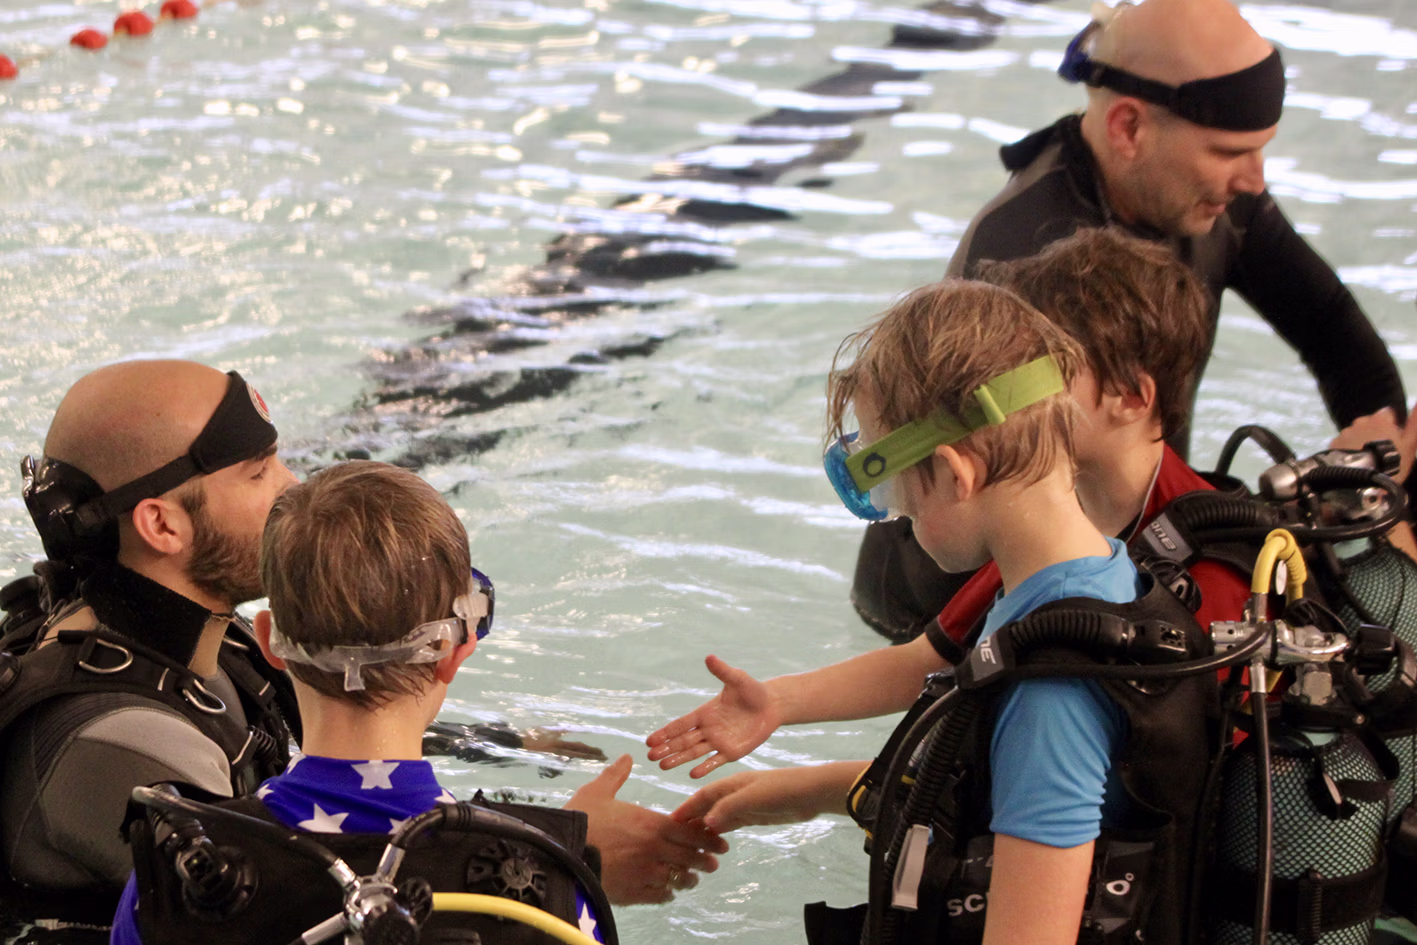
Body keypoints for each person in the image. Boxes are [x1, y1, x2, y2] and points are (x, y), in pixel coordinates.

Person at [670, 279, 1215, 944]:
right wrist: (811, 788)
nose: (896, 515)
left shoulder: (1052, 691)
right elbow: (963, 769)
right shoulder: (1093, 579)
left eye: (893, 489)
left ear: (957, 475)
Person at [855, 0, 1410, 639]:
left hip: (1132, 545)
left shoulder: (1213, 200)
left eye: (1260, 151)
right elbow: (1046, 516)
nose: (1255, 181)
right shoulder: (1027, 261)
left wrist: (1375, 480)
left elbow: (1337, 334)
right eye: (1229, 151)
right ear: (1128, 127)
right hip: (950, 601)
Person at [647, 227, 1248, 780]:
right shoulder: (1051, 523)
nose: (1009, 377)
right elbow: (928, 660)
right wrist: (779, 702)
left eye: (1047, 362)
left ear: (1130, 397)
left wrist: (833, 785)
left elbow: (1176, 786)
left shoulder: (1207, 574)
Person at [115, 461, 725, 942]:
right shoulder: (548, 886)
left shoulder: (177, 870)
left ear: (271, 641)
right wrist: (571, 855)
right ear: (452, 654)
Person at [0, 361, 303, 933]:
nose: (293, 486)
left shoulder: (201, 637)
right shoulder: (126, 744)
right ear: (162, 526)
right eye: (259, 472)